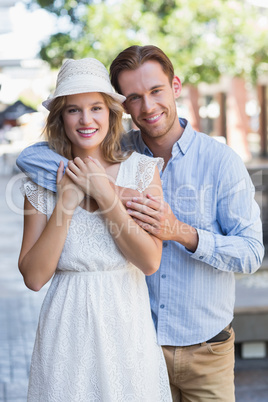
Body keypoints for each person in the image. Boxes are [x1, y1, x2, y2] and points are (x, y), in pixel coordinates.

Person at [16, 46, 264, 402]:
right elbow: (32, 156)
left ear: (175, 86)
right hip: (125, 340)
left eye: (156, 91)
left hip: (202, 349)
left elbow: (252, 253)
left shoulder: (216, 162)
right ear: (125, 106)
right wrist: (88, 190)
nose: (147, 107)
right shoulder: (116, 150)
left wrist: (178, 230)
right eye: (134, 97)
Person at [17, 57, 172, 402]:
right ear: (60, 118)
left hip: (127, 327)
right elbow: (34, 277)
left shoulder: (143, 172)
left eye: (96, 108)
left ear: (111, 114)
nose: (86, 120)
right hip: (66, 333)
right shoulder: (41, 182)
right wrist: (67, 202)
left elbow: (149, 262)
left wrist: (104, 194)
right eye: (73, 110)